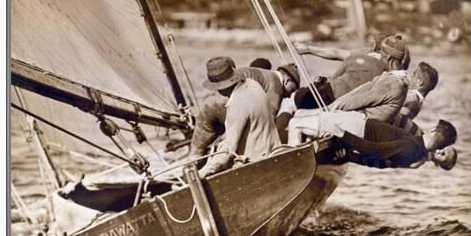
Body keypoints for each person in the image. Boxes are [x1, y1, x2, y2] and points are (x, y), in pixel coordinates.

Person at [276, 35, 409, 137]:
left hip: (352, 117)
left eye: (383, 56)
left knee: (292, 109)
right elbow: (361, 92)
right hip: (350, 113)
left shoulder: (391, 83)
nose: (380, 58)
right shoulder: (390, 77)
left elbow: (357, 100)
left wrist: (330, 109)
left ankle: (280, 142)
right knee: (302, 114)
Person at [189, 58, 298, 159]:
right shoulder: (275, 85)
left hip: (209, 104)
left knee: (197, 148)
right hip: (230, 104)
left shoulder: (258, 72)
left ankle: (190, 168)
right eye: (292, 90)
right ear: (287, 80)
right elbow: (267, 120)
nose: (288, 96)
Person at [198, 57, 280, 178]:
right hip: (273, 151)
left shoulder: (237, 104)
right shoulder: (253, 84)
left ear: (221, 87)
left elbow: (227, 153)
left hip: (255, 163)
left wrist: (201, 173)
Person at [288, 110, 457, 169]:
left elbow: (375, 151)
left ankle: (289, 168)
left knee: (296, 123)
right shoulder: (416, 145)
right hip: (358, 123)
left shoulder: (412, 148)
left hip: (355, 127)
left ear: (434, 129)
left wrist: (343, 135)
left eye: (444, 156)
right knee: (301, 116)